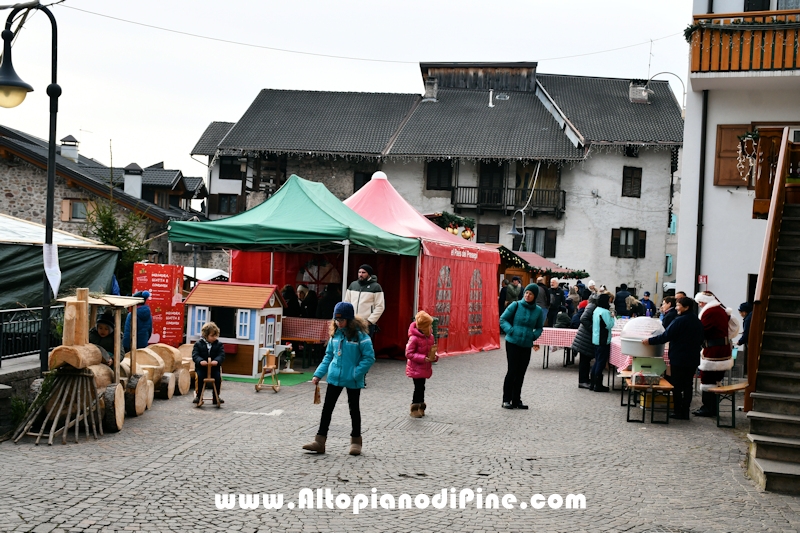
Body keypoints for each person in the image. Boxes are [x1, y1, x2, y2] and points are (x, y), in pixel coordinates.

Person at [303, 302, 375, 456]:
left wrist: (356, 373)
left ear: (349, 320)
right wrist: (318, 374)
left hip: (352, 379)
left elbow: (369, 357)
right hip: (334, 377)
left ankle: (356, 441)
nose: (338, 323)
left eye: (341, 320)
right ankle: (319, 441)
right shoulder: (335, 335)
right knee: (327, 409)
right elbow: (329, 356)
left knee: (354, 409)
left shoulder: (361, 336)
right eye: (336, 320)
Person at [642, 297, 704, 419]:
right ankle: (685, 412)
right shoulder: (697, 321)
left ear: (686, 307)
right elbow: (701, 338)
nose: (676, 308)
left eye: (678, 305)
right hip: (693, 357)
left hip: (679, 357)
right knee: (688, 385)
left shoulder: (679, 321)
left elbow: (666, 336)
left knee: (677, 385)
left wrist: (649, 341)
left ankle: (677, 411)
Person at [499, 283, 545, 409]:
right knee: (512, 371)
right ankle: (506, 399)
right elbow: (503, 319)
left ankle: (516, 400)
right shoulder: (516, 305)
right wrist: (510, 330)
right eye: (526, 293)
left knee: (521, 373)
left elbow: (540, 327)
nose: (527, 295)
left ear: (535, 296)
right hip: (512, 343)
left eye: (530, 294)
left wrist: (533, 336)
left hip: (526, 344)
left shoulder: (538, 311)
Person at [693, 291, 735, 417]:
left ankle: (708, 408)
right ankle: (713, 407)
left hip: (713, 351)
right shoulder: (720, 309)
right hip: (722, 349)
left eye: (700, 302)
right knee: (716, 379)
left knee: (707, 379)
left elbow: (703, 330)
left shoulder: (710, 312)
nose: (700, 305)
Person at [405, 311, 438, 418]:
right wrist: (423, 358)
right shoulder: (414, 338)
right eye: (428, 325)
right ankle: (415, 406)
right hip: (416, 367)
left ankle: (420, 406)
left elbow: (431, 350)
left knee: (422, 387)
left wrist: (434, 356)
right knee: (418, 387)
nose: (430, 327)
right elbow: (409, 353)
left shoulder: (430, 337)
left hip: (425, 367)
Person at [344, 264, 385, 338]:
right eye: (359, 272)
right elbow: (346, 303)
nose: (360, 274)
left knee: (365, 343)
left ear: (369, 274)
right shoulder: (353, 285)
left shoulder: (376, 287)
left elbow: (380, 306)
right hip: (352, 322)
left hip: (366, 323)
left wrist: (370, 321)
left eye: (363, 272)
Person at [192, 322, 225, 405]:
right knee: (199, 378)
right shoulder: (198, 344)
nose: (214, 338)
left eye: (216, 336)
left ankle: (216, 396)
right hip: (202, 368)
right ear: (206, 335)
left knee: (218, 378)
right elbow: (195, 355)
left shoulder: (219, 344)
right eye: (212, 336)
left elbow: (221, 355)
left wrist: (217, 361)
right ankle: (199, 396)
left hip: (214, 368)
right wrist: (200, 361)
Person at [591, 293, 615, 392]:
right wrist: (612, 317)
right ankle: (598, 384)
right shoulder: (605, 312)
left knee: (597, 361)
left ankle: (592, 383)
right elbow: (609, 325)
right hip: (603, 339)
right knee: (601, 362)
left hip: (596, 338)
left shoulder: (596, 310)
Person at [571, 299, 595, 389]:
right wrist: (592, 328)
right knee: (584, 360)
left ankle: (585, 380)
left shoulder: (591, 305)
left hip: (585, 336)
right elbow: (583, 318)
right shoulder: (592, 306)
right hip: (585, 336)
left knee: (585, 360)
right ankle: (583, 381)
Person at [738, 302, 753, 372]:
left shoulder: (747, 319)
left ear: (744, 312)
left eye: (740, 312)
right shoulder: (752, 316)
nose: (740, 314)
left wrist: (740, 342)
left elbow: (746, 333)